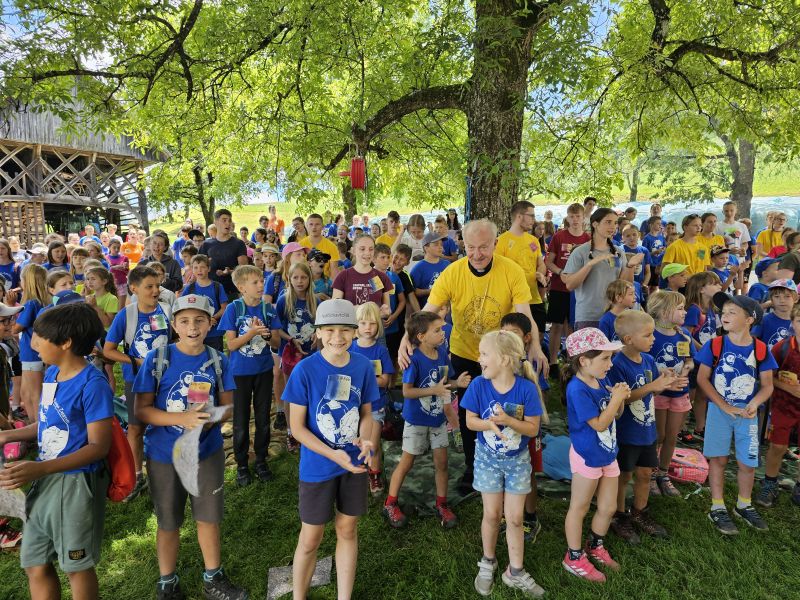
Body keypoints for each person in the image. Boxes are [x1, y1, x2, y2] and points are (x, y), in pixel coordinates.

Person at [398, 219, 546, 495]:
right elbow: (428, 313)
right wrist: (405, 340)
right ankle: (472, 465)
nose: (477, 254)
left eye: (484, 247)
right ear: (463, 245)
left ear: (495, 244)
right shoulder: (452, 273)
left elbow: (526, 315)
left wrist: (535, 345)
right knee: (470, 413)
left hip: (501, 357)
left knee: (506, 409)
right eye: (471, 247)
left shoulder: (511, 271)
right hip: (464, 353)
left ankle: (509, 461)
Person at [133, 294, 247, 599]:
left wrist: (210, 418)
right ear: (173, 325)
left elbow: (229, 407)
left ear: (210, 323)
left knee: (208, 518)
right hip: (163, 455)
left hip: (205, 453)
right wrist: (180, 417)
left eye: (199, 320)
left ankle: (214, 578)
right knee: (168, 520)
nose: (192, 327)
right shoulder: (158, 359)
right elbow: (142, 410)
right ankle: (167, 582)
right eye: (184, 321)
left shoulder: (218, 360)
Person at [0, 303, 111, 600]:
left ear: (65, 343)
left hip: (75, 484)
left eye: (40, 337)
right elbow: (47, 424)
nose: (33, 343)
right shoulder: (51, 374)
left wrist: (40, 468)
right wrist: (8, 435)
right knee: (35, 562)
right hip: (46, 480)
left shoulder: (93, 384)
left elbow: (99, 447)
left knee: (76, 566)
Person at [282, 299, 377, 600]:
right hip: (318, 466)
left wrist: (366, 438)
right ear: (319, 332)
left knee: (347, 529)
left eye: (346, 330)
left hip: (354, 463)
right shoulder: (305, 370)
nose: (339, 337)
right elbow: (297, 428)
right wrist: (333, 454)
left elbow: (366, 413)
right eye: (331, 330)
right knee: (311, 537)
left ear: (355, 331)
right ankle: (299, 595)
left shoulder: (362, 366)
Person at [464, 330, 545, 598]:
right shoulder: (478, 384)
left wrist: (509, 421)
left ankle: (516, 571)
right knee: (491, 514)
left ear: (505, 360)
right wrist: (488, 423)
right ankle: (488, 561)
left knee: (515, 518)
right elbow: (469, 421)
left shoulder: (526, 389)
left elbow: (533, 430)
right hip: (487, 460)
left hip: (517, 463)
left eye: (485, 354)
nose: (479, 359)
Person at [697, 292, 776, 534]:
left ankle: (744, 504)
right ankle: (717, 507)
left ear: (749, 319)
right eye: (724, 312)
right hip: (719, 413)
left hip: (748, 416)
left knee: (747, 463)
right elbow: (702, 378)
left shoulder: (761, 349)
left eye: (732, 312)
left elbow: (767, 386)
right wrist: (723, 406)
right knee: (718, 459)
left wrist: (755, 403)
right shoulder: (715, 344)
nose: (725, 315)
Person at [384, 311, 470, 529]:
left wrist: (457, 382)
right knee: (407, 462)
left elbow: (445, 381)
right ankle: (390, 503)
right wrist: (435, 389)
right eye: (438, 330)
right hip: (416, 420)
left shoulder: (441, 354)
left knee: (442, 463)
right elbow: (406, 391)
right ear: (421, 336)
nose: (443, 333)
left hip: (438, 419)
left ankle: (442, 504)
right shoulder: (413, 359)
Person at [561, 327, 628, 583]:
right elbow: (599, 424)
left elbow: (614, 417)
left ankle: (595, 545)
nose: (610, 364)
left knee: (609, 506)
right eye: (605, 359)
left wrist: (618, 401)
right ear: (584, 360)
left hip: (608, 453)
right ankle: (574, 556)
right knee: (579, 507)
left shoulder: (599, 380)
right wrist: (615, 400)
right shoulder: (577, 389)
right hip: (587, 456)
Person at [607, 311, 676, 544]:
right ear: (628, 340)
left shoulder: (647, 360)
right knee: (624, 475)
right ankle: (618, 516)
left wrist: (665, 381)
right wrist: (653, 386)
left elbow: (652, 388)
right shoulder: (617, 364)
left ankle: (640, 512)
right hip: (627, 432)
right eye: (648, 335)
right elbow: (622, 399)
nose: (653, 339)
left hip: (647, 430)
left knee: (646, 473)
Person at [103, 265, 172, 500]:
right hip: (137, 381)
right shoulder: (127, 315)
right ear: (134, 288)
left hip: (165, 381)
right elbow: (108, 350)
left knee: (165, 425)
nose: (155, 291)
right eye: (149, 287)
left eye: (157, 286)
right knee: (135, 428)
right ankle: (137, 474)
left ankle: (164, 472)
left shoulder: (166, 310)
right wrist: (137, 361)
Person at [219, 265, 282, 486]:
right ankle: (242, 464)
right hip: (240, 373)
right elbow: (232, 344)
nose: (260, 285)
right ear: (241, 287)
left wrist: (265, 336)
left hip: (264, 371)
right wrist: (251, 333)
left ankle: (262, 459)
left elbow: (276, 343)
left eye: (261, 281)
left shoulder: (268, 309)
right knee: (241, 420)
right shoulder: (234, 309)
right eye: (254, 282)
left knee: (264, 417)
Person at [646, 290, 694, 497]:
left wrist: (685, 371)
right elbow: (643, 365)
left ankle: (663, 474)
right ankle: (649, 473)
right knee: (659, 435)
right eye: (680, 308)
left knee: (672, 436)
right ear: (665, 312)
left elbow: (688, 359)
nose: (685, 312)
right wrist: (663, 378)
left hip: (679, 392)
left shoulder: (684, 335)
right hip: (657, 393)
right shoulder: (649, 335)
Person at [562, 208, 641, 330]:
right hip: (589, 317)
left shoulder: (618, 252)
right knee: (591, 350)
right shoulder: (581, 252)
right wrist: (590, 264)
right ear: (595, 224)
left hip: (614, 315)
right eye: (608, 222)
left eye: (615, 223)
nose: (613, 227)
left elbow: (624, 284)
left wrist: (630, 266)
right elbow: (570, 285)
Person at [756, 303, 800, 508]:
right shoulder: (782, 347)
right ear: (792, 322)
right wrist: (788, 388)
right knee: (778, 446)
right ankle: (770, 483)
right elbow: (768, 377)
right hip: (783, 406)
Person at [349, 302, 394, 495]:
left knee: (372, 443)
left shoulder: (380, 351)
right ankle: (355, 472)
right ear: (355, 325)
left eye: (372, 323)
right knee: (355, 441)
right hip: (352, 407)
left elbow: (386, 381)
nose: (367, 328)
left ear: (379, 326)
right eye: (363, 323)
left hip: (375, 405)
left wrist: (363, 378)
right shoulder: (349, 348)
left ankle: (375, 473)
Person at [545, 203, 590, 368]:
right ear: (567, 218)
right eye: (572, 216)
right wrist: (560, 272)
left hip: (579, 289)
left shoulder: (588, 239)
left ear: (584, 217)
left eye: (578, 216)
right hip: (559, 287)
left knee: (573, 325)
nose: (575, 220)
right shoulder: (559, 237)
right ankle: (552, 362)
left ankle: (572, 361)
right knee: (556, 325)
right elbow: (548, 262)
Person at [496, 201, 548, 339]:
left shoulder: (533, 240)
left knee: (538, 336)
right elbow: (497, 271)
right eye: (531, 216)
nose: (534, 220)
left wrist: (540, 274)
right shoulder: (501, 241)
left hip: (534, 297)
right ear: (519, 216)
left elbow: (541, 264)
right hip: (513, 300)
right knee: (516, 339)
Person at [13, 263, 49, 419]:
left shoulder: (31, 303)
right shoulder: (42, 302)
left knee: (33, 394)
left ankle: (36, 431)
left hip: (31, 353)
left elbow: (16, 328)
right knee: (26, 393)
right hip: (37, 353)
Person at [332, 235, 392, 315]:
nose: (367, 253)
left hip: (373, 326)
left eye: (371, 249)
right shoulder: (343, 276)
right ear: (353, 251)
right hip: (350, 326)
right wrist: (357, 309)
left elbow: (387, 309)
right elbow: (335, 308)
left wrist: (385, 312)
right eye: (362, 249)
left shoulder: (381, 277)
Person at [180, 254, 229, 352]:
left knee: (215, 360)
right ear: (192, 269)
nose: (199, 270)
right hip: (195, 332)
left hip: (214, 333)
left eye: (202, 267)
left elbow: (225, 308)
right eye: (196, 268)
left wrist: (213, 318)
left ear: (209, 268)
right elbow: (182, 309)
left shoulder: (217, 287)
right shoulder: (189, 288)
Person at [199, 209, 249, 299]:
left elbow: (244, 270)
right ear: (216, 222)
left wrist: (230, 272)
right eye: (224, 220)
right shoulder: (206, 245)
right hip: (210, 292)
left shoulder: (238, 243)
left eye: (230, 220)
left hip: (232, 291)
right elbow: (199, 269)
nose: (228, 223)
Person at [751, 279, 797, 350]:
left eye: (787, 296)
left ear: (796, 298)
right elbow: (751, 342)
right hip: (768, 359)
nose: (782, 300)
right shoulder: (763, 320)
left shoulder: (798, 321)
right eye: (777, 297)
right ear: (771, 300)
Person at [410, 232, 450, 303]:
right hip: (427, 311)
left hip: (447, 310)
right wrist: (432, 291)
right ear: (426, 248)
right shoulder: (418, 268)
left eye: (441, 244)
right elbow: (413, 292)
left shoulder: (447, 264)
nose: (440, 247)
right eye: (436, 244)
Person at [299, 213, 340, 281]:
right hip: (304, 282)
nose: (314, 227)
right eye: (311, 224)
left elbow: (334, 271)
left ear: (323, 226)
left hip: (325, 284)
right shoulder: (300, 245)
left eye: (317, 224)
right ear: (306, 226)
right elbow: (296, 268)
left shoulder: (332, 247)